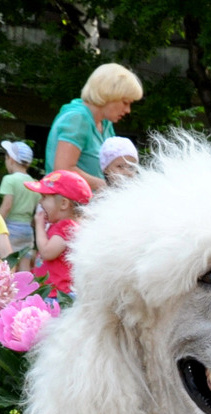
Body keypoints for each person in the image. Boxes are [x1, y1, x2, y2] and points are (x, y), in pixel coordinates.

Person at [44, 62, 143, 193]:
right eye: (125, 102)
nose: (128, 110)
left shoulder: (106, 124)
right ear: (109, 94)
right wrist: (107, 188)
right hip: (65, 207)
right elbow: (63, 170)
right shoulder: (77, 118)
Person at [28, 169, 91, 297]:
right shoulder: (60, 226)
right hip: (52, 293)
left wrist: (39, 226)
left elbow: (47, 252)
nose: (40, 202)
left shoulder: (67, 227)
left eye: (44, 197)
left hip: (58, 296)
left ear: (63, 204)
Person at [0, 140, 35, 261]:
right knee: (25, 263)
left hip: (11, 228)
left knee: (9, 263)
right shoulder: (34, 183)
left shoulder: (9, 180)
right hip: (27, 230)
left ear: (11, 159)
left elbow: (6, 206)